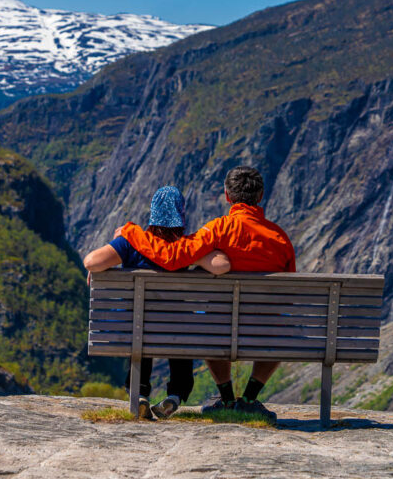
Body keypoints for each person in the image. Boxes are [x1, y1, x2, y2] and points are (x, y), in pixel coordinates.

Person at [117, 166, 295, 422]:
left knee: (209, 319)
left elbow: (171, 257)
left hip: (219, 330)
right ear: (261, 195)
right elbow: (289, 293)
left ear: (227, 196)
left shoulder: (218, 230)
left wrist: (130, 233)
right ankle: (248, 399)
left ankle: (226, 397)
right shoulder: (280, 239)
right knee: (278, 325)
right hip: (266, 331)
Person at [84, 186, 230, 420]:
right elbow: (221, 266)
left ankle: (140, 394)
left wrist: (120, 237)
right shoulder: (187, 248)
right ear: (181, 215)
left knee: (140, 324)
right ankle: (175, 395)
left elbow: (92, 261)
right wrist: (203, 244)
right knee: (180, 325)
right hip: (177, 329)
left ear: (152, 214)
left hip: (136, 329)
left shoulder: (131, 242)